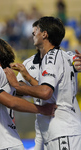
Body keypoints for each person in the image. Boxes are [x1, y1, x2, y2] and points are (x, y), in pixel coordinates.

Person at [5, 16, 81, 150]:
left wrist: (17, 84)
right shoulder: (29, 63)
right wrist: (20, 84)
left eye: (36, 30)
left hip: (62, 129)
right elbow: (37, 90)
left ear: (44, 34)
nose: (33, 33)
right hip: (48, 129)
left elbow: (45, 92)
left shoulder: (56, 56)